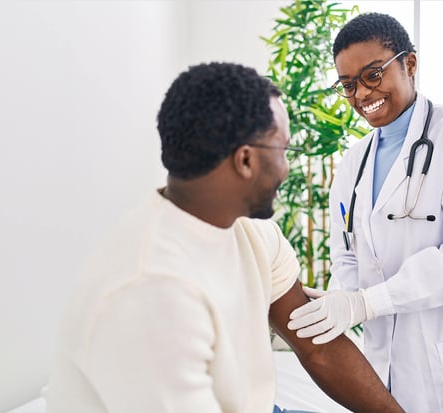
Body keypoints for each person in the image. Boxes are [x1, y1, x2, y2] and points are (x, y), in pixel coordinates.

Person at [43, 62, 403, 412]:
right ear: (245, 160)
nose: (288, 168)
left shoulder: (253, 231)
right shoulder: (153, 290)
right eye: (284, 151)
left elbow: (317, 347)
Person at [286, 12, 443, 412]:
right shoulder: (354, 162)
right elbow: (347, 252)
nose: (362, 94)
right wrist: (342, 300)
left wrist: (370, 302)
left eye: (373, 74)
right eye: (348, 85)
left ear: (409, 64)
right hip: (388, 371)